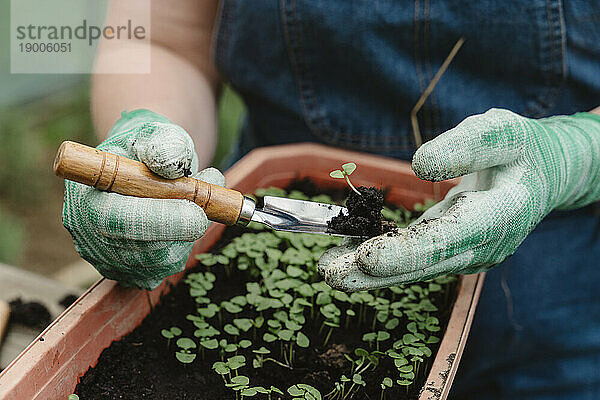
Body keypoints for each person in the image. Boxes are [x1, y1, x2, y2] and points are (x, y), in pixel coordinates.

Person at [62, 1, 600, 398]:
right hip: (262, 224)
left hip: (555, 316)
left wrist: (571, 157)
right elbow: (159, 36)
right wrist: (148, 148)